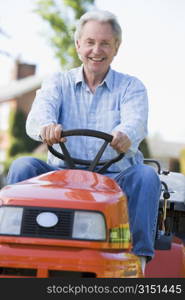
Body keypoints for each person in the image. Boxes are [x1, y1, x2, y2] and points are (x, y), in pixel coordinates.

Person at [7, 10, 161, 273]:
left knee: (146, 177)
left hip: (114, 177)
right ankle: (13, 251)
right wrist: (47, 127)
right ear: (79, 45)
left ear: (116, 48)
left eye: (105, 43)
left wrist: (125, 135)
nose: (96, 50)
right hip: (60, 175)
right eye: (90, 42)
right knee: (23, 167)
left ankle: (138, 261)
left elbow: (135, 122)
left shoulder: (131, 87)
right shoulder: (58, 82)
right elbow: (38, 117)